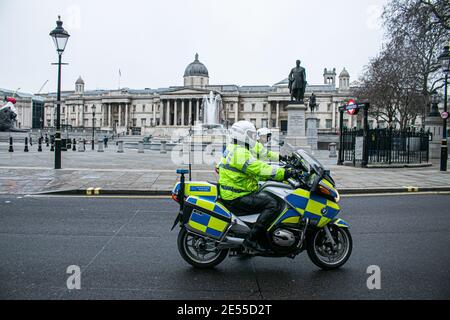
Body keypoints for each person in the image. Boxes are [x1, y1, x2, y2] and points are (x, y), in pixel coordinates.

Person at [218, 121, 297, 251]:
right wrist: (285, 173)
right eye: (250, 134)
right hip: (237, 195)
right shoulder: (240, 152)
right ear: (241, 134)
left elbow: (254, 170)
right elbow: (260, 168)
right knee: (273, 204)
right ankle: (251, 239)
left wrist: (279, 166)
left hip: (236, 190)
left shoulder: (235, 148)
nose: (253, 137)